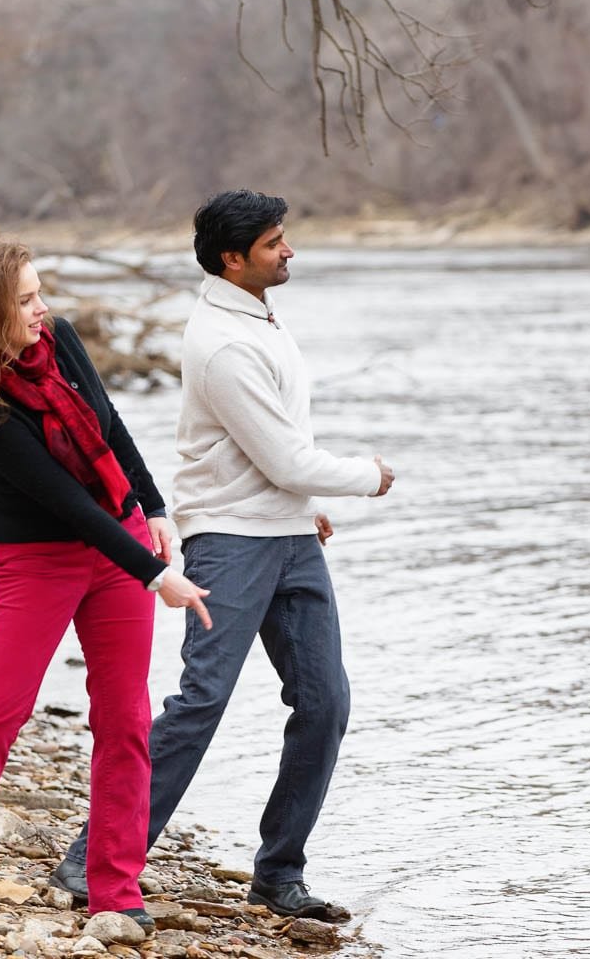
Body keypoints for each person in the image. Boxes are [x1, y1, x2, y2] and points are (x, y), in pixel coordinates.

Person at [48, 190, 394, 922]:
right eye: (274, 243)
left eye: (284, 238)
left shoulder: (258, 317)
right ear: (233, 259)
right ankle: (94, 859)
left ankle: (279, 874)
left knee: (326, 702)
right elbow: (285, 457)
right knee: (201, 701)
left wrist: (306, 505)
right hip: (231, 544)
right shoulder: (225, 341)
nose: (288, 251)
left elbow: (272, 450)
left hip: (289, 538)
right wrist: (367, 476)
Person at [0, 238, 211, 927]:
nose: (44, 307)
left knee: (125, 721)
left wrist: (152, 507)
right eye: (27, 299)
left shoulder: (60, 338)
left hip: (118, 536)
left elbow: (110, 425)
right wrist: (154, 574)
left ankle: (115, 888)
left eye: (40, 292)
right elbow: (65, 502)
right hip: (41, 558)